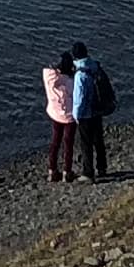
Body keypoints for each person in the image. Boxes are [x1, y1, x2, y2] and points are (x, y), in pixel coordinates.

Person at [76, 47, 117, 179]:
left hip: (86, 114)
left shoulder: (80, 74)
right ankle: (102, 168)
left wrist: (76, 115)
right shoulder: (96, 67)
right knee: (99, 141)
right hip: (98, 110)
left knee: (86, 143)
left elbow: (79, 99)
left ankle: (88, 172)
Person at [41, 44, 79, 182]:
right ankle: (67, 172)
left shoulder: (48, 77)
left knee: (55, 141)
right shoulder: (70, 82)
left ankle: (52, 170)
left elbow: (49, 68)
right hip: (69, 116)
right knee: (68, 144)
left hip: (55, 113)